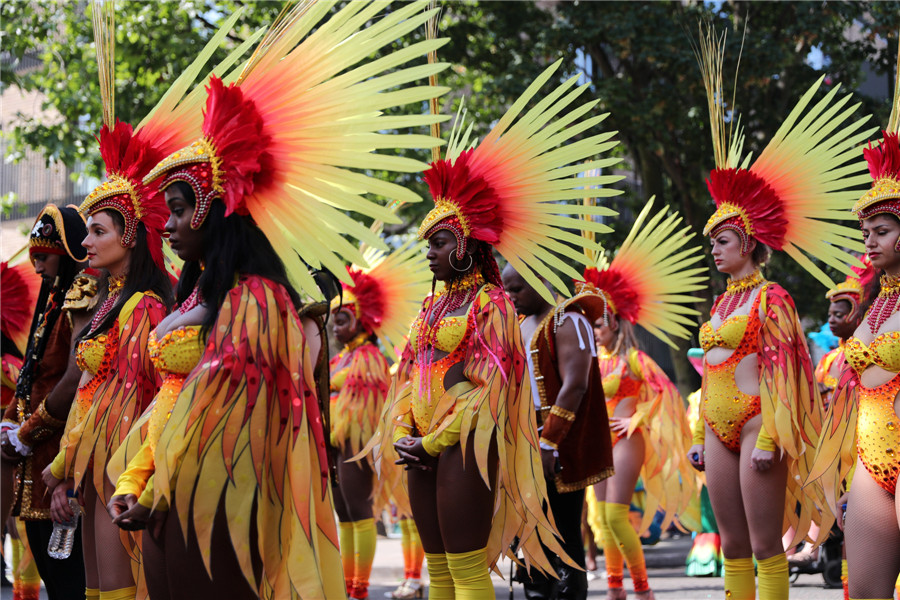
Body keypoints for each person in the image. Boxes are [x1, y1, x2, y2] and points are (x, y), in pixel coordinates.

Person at [119, 2, 449, 597]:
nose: (164, 226)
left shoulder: (260, 300)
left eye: (175, 209)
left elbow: (215, 406)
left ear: (214, 209)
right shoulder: (207, 290)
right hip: (169, 484)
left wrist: (154, 482)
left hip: (218, 493)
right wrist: (141, 477)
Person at [364, 58, 623, 596]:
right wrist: (407, 433)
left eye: (437, 242)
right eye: (427, 242)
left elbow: (490, 386)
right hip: (420, 444)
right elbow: (409, 374)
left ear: (465, 245)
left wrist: (437, 440)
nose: (428, 253)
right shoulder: (429, 310)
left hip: (465, 446)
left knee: (467, 570)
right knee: (438, 573)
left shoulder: (494, 306)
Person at [687, 26, 872, 600]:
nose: (715, 248)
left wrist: (770, 435)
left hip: (755, 422)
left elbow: (785, 373)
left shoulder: (774, 300)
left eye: (724, 239)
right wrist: (698, 431)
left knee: (768, 546)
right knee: (732, 545)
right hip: (716, 423)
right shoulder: (721, 302)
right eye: (711, 240)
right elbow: (710, 367)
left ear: (750, 244)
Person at [579, 197, 704, 600]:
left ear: (613, 320)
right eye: (590, 323)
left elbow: (668, 396)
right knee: (602, 518)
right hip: (596, 444)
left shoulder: (634, 359)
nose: (594, 329)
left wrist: (636, 420)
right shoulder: (588, 360)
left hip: (626, 440)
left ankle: (643, 589)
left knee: (617, 516)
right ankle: (615, 590)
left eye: (598, 322)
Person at [809, 112, 900, 599]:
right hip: (871, 463)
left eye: (881, 229)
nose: (870, 240)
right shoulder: (878, 303)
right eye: (866, 231)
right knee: (865, 591)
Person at [501, 263, 614, 600]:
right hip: (524, 443)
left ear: (540, 280)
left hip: (558, 444)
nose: (511, 297)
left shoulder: (568, 320)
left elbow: (575, 386)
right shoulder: (521, 324)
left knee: (563, 533)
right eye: (508, 289)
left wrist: (549, 441)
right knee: (529, 535)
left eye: (517, 289)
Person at [1, 207, 98, 600]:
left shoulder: (82, 297)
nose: (37, 265)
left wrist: (25, 432)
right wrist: (10, 425)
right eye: (34, 257)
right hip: (32, 462)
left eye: (44, 256)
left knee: (70, 583)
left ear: (68, 251)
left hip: (60, 463)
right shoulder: (56, 300)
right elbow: (30, 377)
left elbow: (74, 379)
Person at [329, 242, 430, 600]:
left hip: (354, 445)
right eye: (334, 320)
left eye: (343, 319)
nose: (336, 327)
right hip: (337, 447)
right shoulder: (342, 358)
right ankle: (348, 586)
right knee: (344, 515)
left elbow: (364, 411)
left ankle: (359, 589)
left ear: (362, 318)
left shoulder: (369, 357)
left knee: (359, 513)